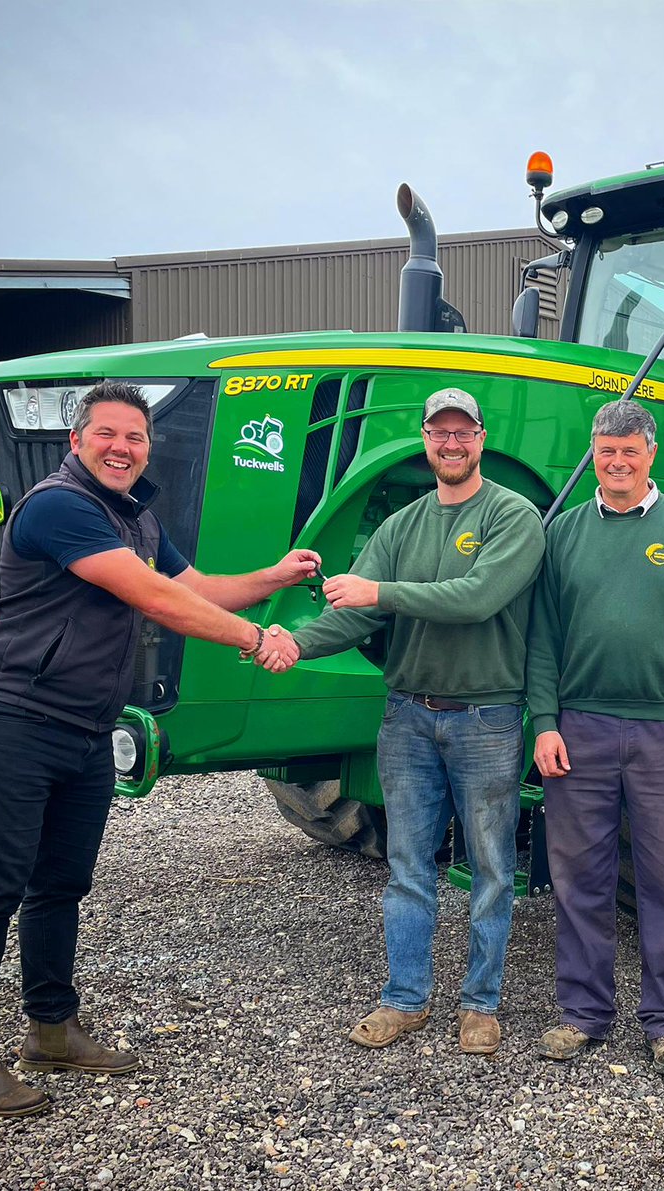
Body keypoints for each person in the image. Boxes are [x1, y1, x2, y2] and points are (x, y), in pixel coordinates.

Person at [0, 381, 320, 1117]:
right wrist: (255, 639)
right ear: (76, 442)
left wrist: (274, 578)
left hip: (84, 727)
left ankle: (51, 1027)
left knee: (60, 884)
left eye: (136, 436)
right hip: (11, 716)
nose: (122, 446)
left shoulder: (135, 516)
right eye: (107, 433)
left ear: (149, 447)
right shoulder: (59, 505)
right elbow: (152, 598)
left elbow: (198, 586)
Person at [259, 388, 544, 1055]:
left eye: (462, 431)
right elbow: (357, 614)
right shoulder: (402, 526)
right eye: (438, 432)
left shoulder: (513, 515)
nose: (451, 443)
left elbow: (477, 599)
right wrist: (297, 642)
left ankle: (480, 1004)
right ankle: (406, 999)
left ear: (481, 437)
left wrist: (378, 591)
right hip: (409, 717)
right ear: (425, 438)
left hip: (487, 718)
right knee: (408, 864)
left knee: (491, 866)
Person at [528, 398, 664, 1077]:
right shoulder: (563, 533)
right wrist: (543, 722)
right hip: (580, 730)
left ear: (652, 456)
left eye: (630, 450)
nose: (617, 461)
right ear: (593, 453)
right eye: (606, 449)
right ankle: (583, 1013)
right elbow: (541, 640)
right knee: (579, 880)